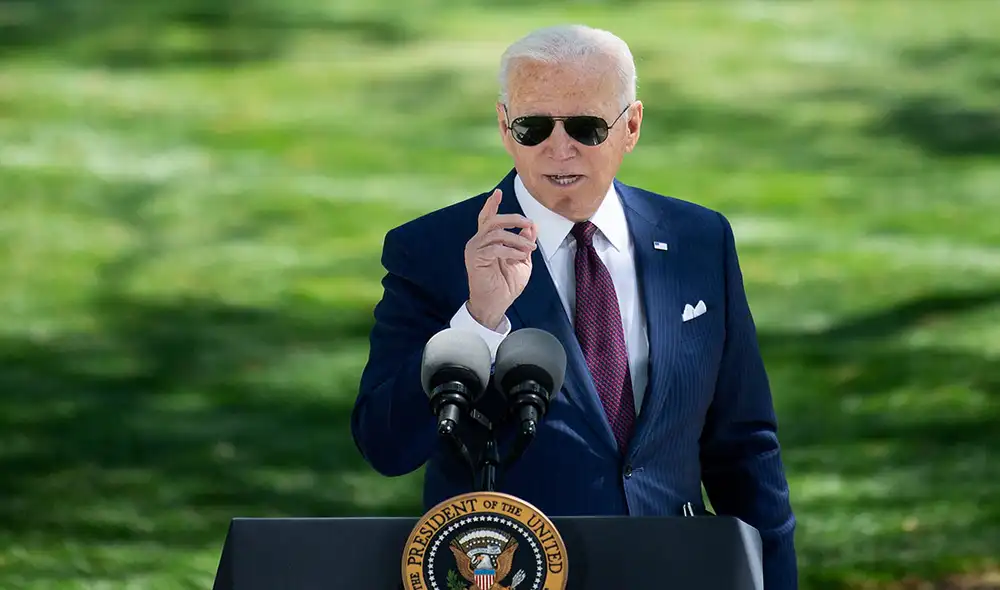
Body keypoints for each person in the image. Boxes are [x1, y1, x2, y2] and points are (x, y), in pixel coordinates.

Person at [352, 24, 797, 589]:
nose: (559, 149)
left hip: (676, 569)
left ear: (631, 126)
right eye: (534, 127)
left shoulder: (698, 239)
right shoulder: (432, 250)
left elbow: (744, 447)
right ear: (505, 127)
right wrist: (478, 319)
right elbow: (386, 445)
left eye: (586, 127)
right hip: (517, 573)